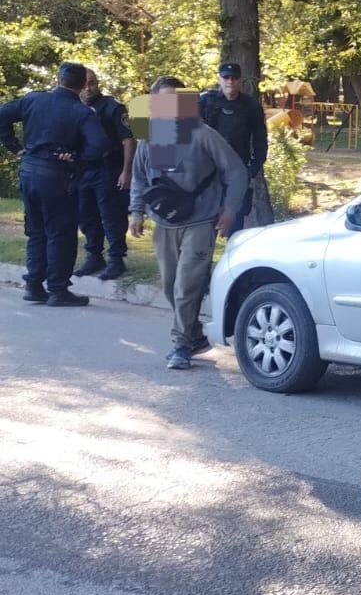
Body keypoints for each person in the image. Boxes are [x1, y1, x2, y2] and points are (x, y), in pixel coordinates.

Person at [129, 76, 248, 370]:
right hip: (165, 223)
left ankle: (181, 344)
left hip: (200, 221)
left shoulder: (202, 134)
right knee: (170, 286)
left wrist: (229, 210)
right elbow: (140, 177)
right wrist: (136, 211)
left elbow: (236, 172)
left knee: (187, 286)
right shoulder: (152, 136)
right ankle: (194, 336)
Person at [0, 61, 110, 306]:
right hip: (57, 176)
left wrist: (15, 147)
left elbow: (2, 115)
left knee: (37, 231)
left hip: (29, 172)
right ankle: (58, 289)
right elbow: (100, 144)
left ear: (58, 80)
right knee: (61, 233)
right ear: (82, 84)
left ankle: (33, 285)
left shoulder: (33, 99)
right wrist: (80, 160)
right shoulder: (81, 112)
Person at [74, 68, 136, 281]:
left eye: (92, 83)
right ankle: (94, 256)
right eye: (84, 84)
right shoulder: (73, 107)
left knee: (112, 217)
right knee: (86, 216)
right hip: (83, 171)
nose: (88, 88)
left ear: (98, 84)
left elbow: (129, 140)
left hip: (109, 170)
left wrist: (127, 171)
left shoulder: (113, 107)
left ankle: (116, 258)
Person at [199, 62, 267, 234]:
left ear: (240, 80)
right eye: (226, 77)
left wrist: (250, 171)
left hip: (237, 173)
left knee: (235, 229)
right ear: (219, 79)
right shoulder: (204, 101)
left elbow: (260, 143)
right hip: (208, 175)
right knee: (205, 229)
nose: (230, 81)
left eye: (235, 78)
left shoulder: (251, 106)